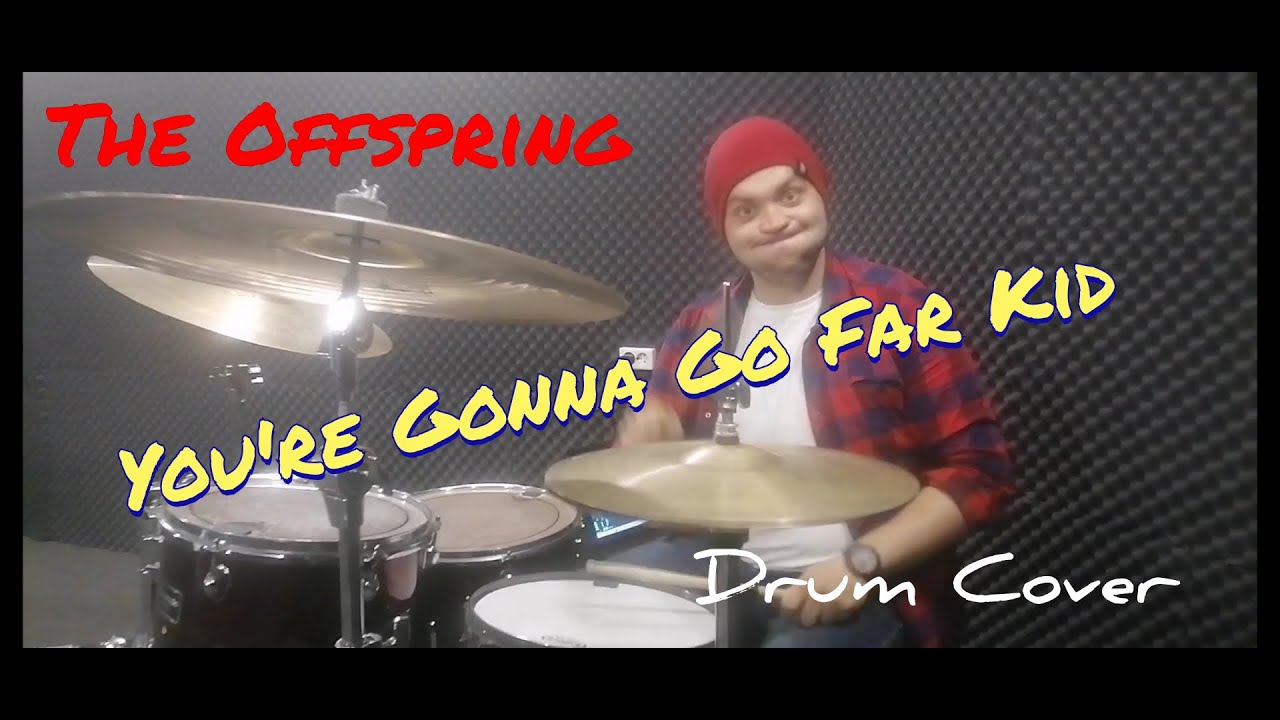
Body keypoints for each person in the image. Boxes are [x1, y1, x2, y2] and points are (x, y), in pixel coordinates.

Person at [608, 116, 1018, 648]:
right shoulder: (698, 327)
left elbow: (981, 473)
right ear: (724, 229)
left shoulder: (899, 305)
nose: (774, 221)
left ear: (820, 193)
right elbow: (656, 482)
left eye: (789, 195)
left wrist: (860, 562)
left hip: (867, 580)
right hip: (717, 567)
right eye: (745, 210)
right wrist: (643, 452)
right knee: (602, 616)